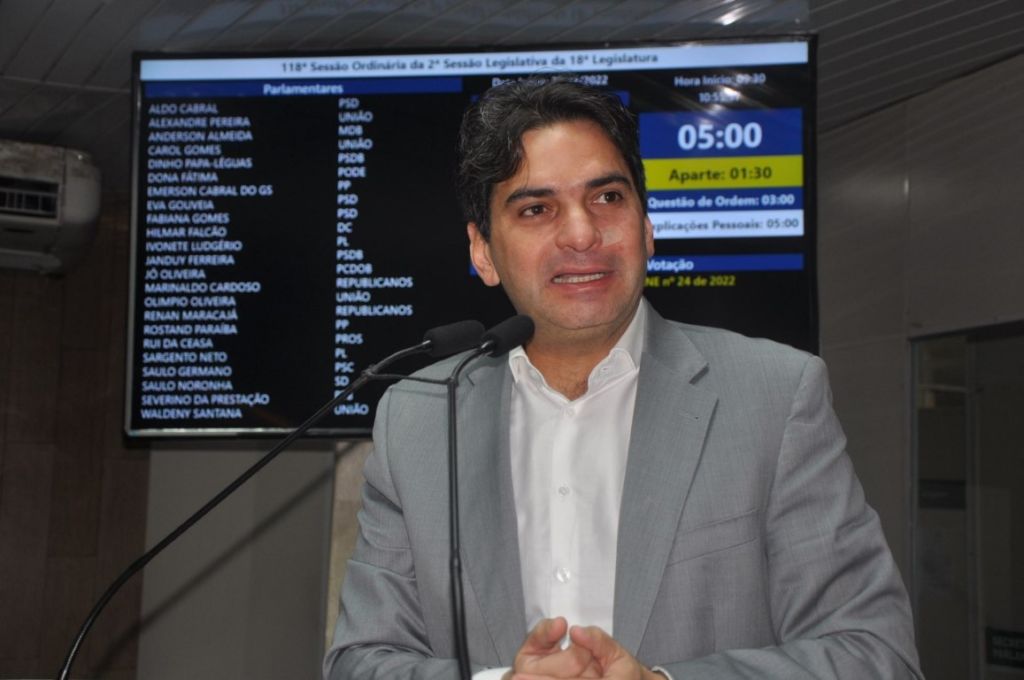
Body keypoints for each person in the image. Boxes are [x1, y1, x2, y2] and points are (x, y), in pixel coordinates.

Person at [323, 78, 922, 679]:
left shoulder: (775, 395)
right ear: (482, 252)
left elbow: (876, 655)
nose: (582, 234)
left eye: (607, 197)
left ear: (647, 226)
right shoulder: (421, 417)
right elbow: (360, 662)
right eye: (536, 209)